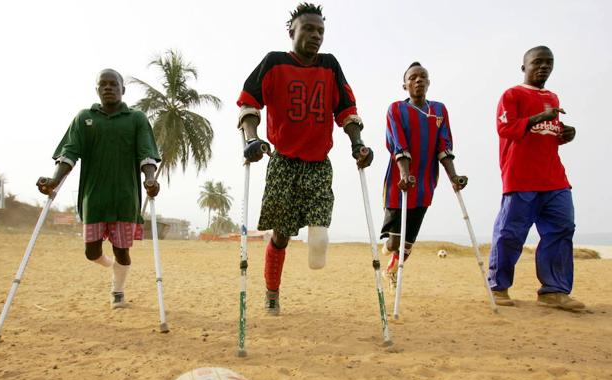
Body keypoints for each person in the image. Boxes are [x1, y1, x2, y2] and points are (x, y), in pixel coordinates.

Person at [237, 2, 373, 315]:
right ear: (291, 31)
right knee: (281, 235)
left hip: (317, 161)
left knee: (319, 235)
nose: (316, 36)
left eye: (320, 31)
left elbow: (347, 111)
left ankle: (316, 246)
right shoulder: (274, 63)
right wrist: (252, 139)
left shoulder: (330, 65)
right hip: (283, 160)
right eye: (309, 29)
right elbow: (248, 104)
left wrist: (358, 144)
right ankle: (272, 292)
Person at [37, 69, 161, 309]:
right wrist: (54, 181)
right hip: (94, 197)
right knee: (91, 252)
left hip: (125, 199)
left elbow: (147, 154)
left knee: (122, 250)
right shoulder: (84, 118)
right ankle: (112, 267)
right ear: (97, 90)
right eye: (102, 84)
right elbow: (69, 154)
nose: (108, 88)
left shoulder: (136, 119)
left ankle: (117, 291)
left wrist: (150, 180)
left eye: (113, 84)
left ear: (122, 89)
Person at [487, 46, 584, 310]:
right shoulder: (512, 94)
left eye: (549, 63)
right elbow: (505, 128)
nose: (543, 67)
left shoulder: (552, 97)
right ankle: (498, 287)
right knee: (510, 234)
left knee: (562, 229)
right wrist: (541, 116)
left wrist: (564, 133)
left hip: (554, 178)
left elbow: (546, 132)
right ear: (524, 67)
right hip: (520, 177)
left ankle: (554, 291)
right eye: (537, 62)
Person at [380, 62, 467, 288]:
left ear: (428, 82)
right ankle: (389, 247)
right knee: (395, 240)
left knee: (408, 240)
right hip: (399, 182)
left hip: (425, 183)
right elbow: (398, 144)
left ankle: (392, 269)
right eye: (413, 78)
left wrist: (454, 177)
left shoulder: (439, 110)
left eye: (423, 77)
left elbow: (444, 145)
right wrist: (406, 175)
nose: (418, 80)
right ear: (405, 85)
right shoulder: (396, 109)